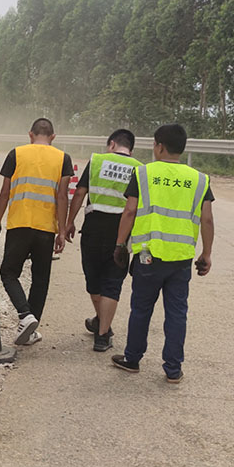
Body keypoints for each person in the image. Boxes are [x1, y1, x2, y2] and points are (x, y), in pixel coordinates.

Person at [111, 124, 214, 382]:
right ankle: (173, 369)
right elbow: (208, 220)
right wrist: (207, 254)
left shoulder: (144, 173)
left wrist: (120, 244)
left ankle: (132, 359)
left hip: (148, 255)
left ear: (159, 145)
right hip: (181, 258)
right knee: (177, 312)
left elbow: (130, 211)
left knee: (141, 308)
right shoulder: (199, 179)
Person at [0, 118, 73, 345]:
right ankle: (31, 328)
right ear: (53, 137)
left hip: (19, 224)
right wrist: (62, 231)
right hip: (46, 228)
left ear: (30, 134)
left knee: (8, 272)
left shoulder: (16, 154)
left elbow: (5, 192)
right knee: (40, 278)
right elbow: (63, 196)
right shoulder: (63, 158)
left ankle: (25, 315)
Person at [65, 129, 141, 351]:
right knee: (112, 282)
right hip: (121, 230)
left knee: (94, 278)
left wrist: (69, 222)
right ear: (131, 149)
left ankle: (102, 323)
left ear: (111, 144)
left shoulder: (97, 161)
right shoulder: (139, 168)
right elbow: (136, 207)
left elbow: (79, 193)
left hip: (93, 227)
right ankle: (102, 334)